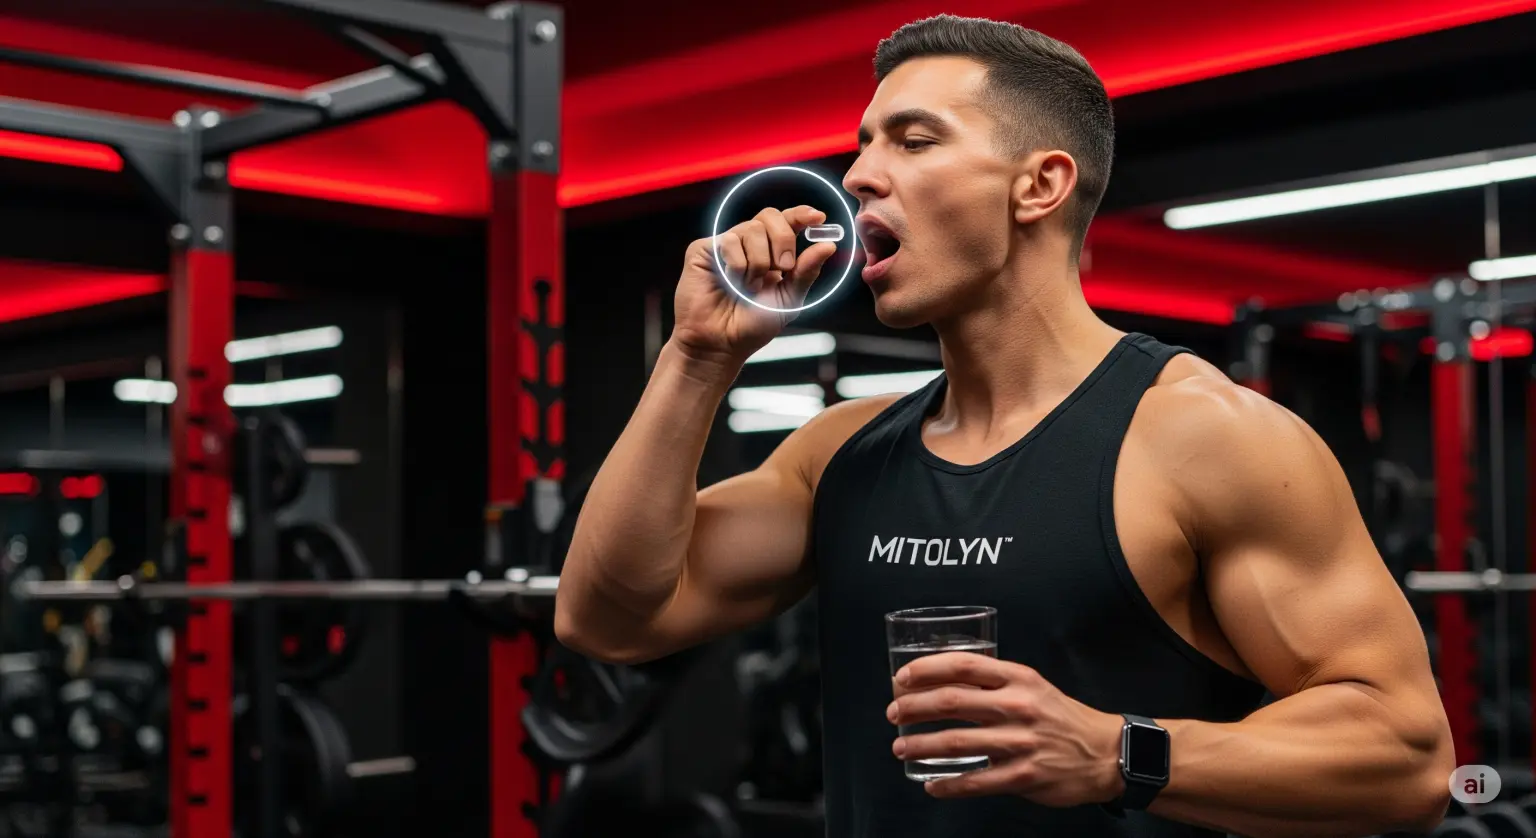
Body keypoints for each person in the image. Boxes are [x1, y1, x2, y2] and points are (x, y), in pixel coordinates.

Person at [554, 13, 1453, 838]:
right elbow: (609, 619)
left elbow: (1409, 758)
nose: (860, 174)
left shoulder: (1202, 436)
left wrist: (1114, 752)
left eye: (913, 140)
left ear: (1040, 185)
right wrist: (697, 357)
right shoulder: (840, 453)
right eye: (863, 145)